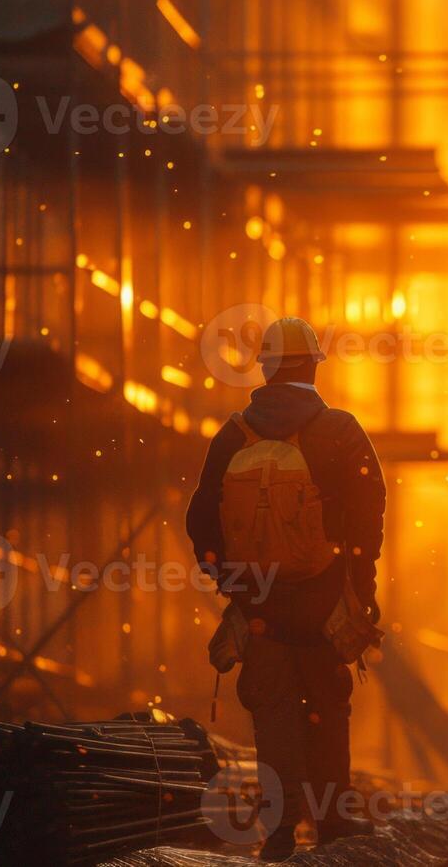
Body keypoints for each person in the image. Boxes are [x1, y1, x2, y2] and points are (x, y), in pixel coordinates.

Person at [187, 316, 386, 861]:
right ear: (312, 366)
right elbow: (370, 514)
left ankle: (279, 832)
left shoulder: (232, 435)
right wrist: (359, 588)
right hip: (325, 600)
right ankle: (332, 827)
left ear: (267, 368)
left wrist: (234, 584)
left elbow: (201, 520)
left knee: (272, 710)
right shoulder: (341, 430)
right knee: (326, 704)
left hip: (260, 606)